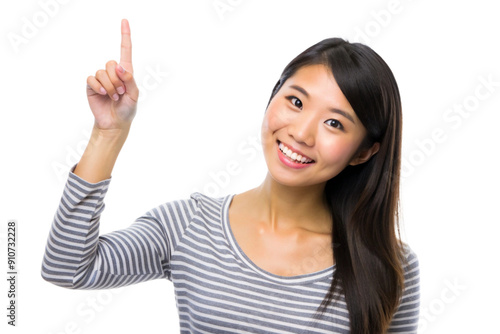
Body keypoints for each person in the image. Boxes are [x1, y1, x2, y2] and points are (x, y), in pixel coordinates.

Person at [41, 18, 420, 334]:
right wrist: (108, 134)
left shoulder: (388, 265)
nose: (302, 133)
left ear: (366, 151)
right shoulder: (190, 225)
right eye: (296, 101)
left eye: (334, 123)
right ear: (272, 97)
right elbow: (67, 268)